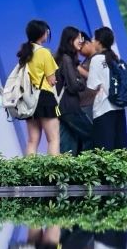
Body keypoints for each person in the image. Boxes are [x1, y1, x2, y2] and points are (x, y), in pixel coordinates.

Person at [18, 19, 60, 156]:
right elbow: (51, 79)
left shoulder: (25, 52)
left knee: (32, 141)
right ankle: (53, 168)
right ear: (42, 33)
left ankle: (29, 168)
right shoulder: (44, 52)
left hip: (29, 99)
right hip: (45, 97)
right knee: (53, 139)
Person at [85, 26, 127, 151]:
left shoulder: (96, 60)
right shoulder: (115, 58)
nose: (92, 41)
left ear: (99, 42)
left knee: (103, 152)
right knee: (119, 150)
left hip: (103, 110)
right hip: (119, 108)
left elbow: (92, 86)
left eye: (94, 39)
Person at [54, 27, 93, 155]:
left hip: (62, 108)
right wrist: (81, 83)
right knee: (91, 135)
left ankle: (70, 167)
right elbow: (74, 86)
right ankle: (87, 164)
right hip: (71, 107)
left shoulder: (61, 58)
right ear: (70, 40)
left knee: (69, 145)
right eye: (78, 38)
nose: (81, 41)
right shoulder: (67, 59)